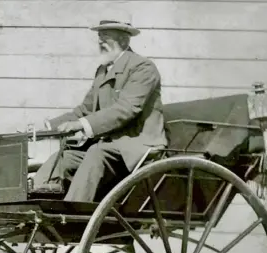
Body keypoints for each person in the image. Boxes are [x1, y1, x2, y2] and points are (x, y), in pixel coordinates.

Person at [30, 13, 168, 203]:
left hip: (137, 145)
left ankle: (70, 213)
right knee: (64, 157)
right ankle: (38, 205)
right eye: (99, 37)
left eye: (106, 37)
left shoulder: (143, 68)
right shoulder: (103, 71)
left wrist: (80, 124)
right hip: (110, 145)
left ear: (123, 39)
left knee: (96, 152)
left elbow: (126, 109)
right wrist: (46, 128)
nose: (101, 41)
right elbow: (84, 110)